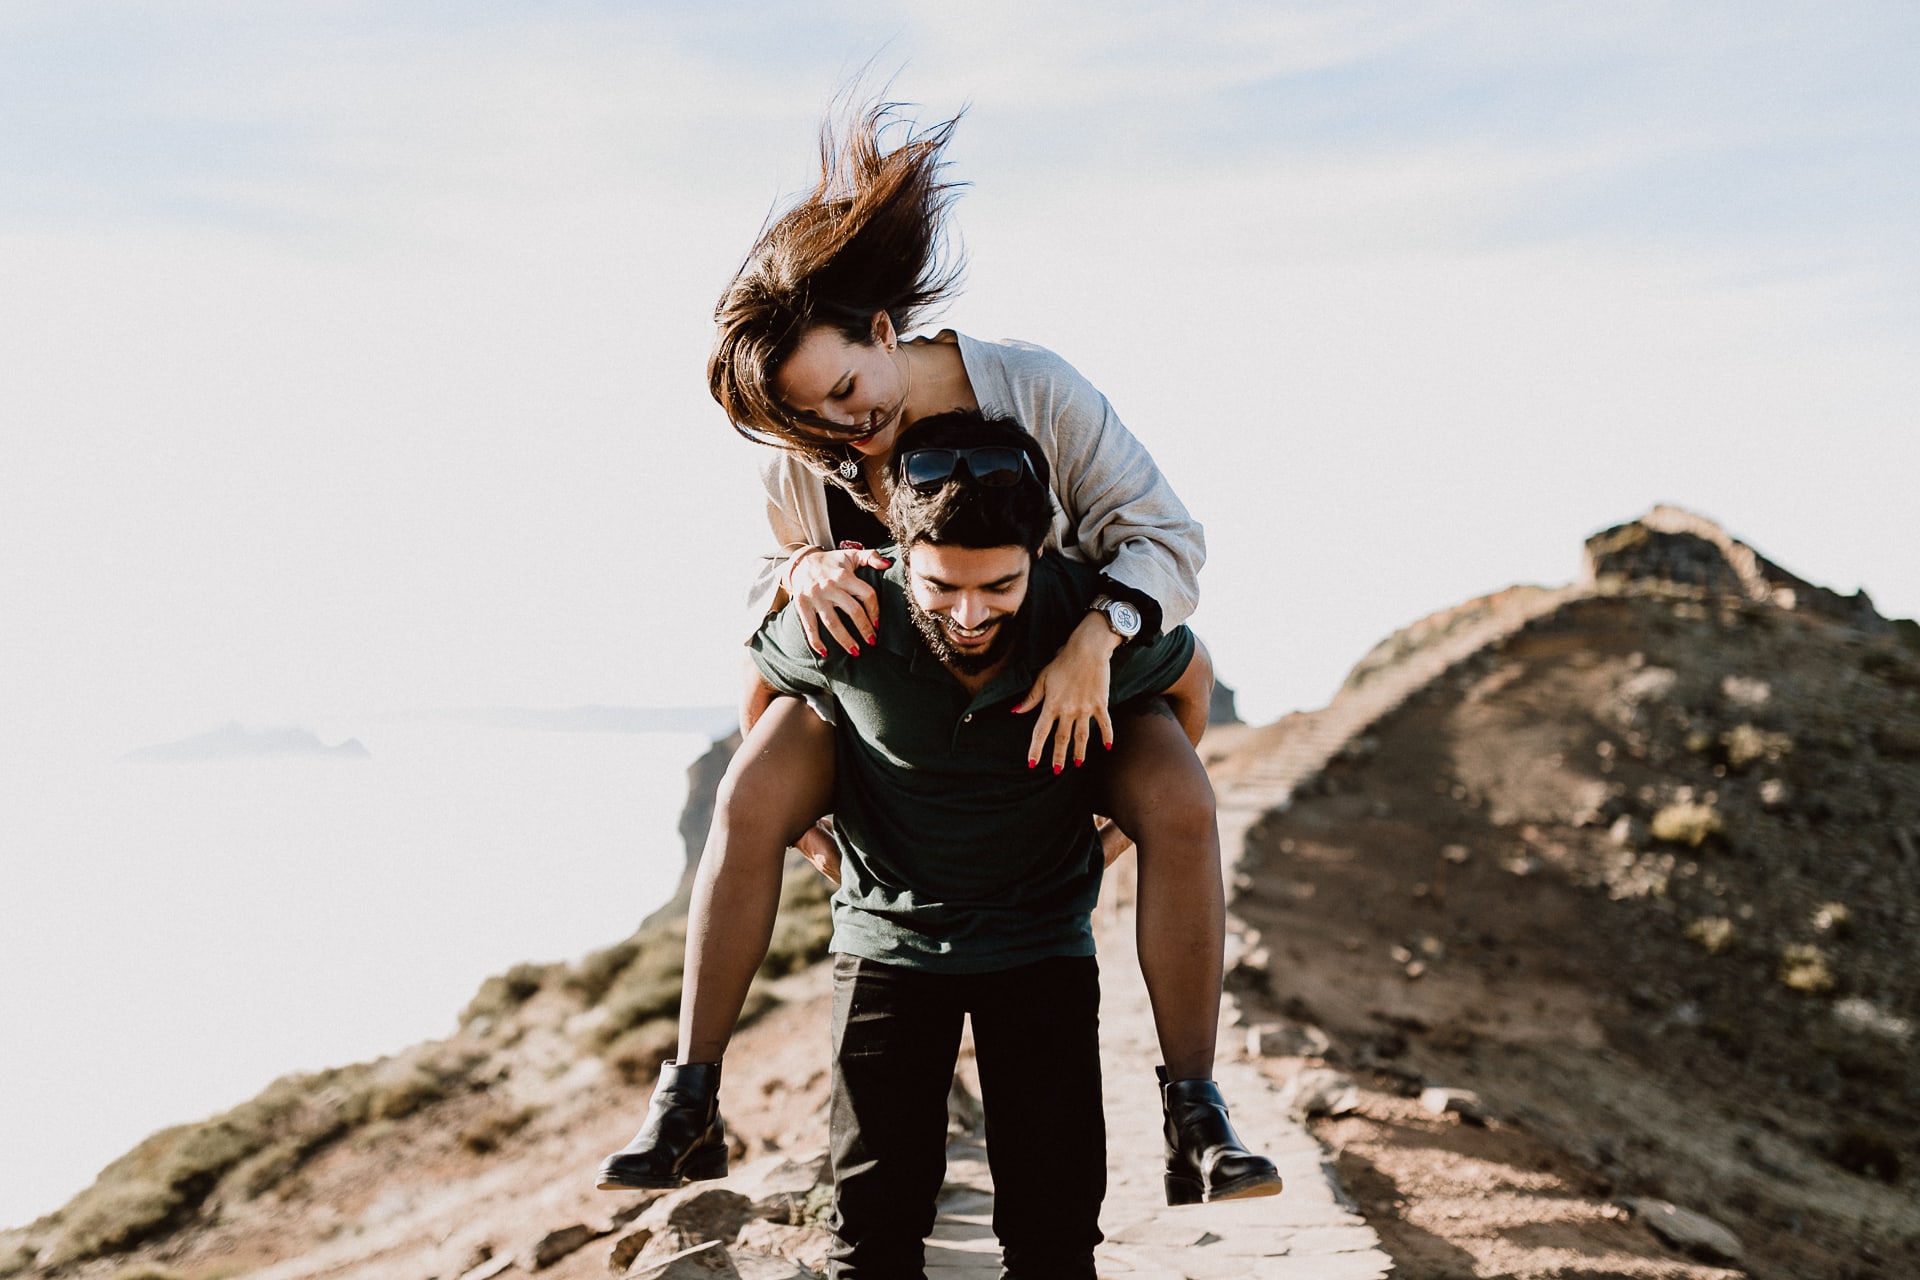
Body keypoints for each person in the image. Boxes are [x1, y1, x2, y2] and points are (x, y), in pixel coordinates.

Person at [599, 98, 1248, 1200]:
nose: (844, 433)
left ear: (885, 331)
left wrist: (1093, 637)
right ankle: (691, 1096)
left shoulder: (1036, 388)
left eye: (848, 392)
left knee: (1183, 798)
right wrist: (795, 569)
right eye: (812, 421)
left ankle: (1195, 1106)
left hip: (1072, 683)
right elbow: (768, 603)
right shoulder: (805, 462)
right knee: (749, 791)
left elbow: (1173, 543)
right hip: (900, 721)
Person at [639, 414, 1281, 1277]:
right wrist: (819, 837)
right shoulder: (853, 610)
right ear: (901, 554)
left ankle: (1195, 1110)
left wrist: (1122, 832)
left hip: (1040, 944)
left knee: (1054, 1245)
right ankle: (688, 1099)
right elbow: (764, 697)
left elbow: (1189, 687)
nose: (971, 613)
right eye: (942, 586)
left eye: (1000, 586)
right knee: (871, 1241)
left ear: (1039, 559)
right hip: (888, 950)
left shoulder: (1080, 614)